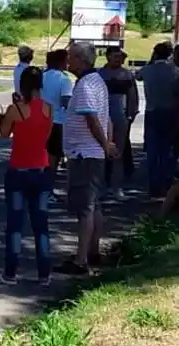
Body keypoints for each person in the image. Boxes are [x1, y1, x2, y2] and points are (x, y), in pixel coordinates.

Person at [57, 42, 116, 276]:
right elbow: (106, 118)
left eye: (71, 57)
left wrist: (105, 144)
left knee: (84, 208)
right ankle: (92, 251)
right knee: (93, 204)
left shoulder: (86, 85)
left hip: (85, 154)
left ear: (81, 60)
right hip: (91, 152)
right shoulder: (97, 81)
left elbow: (92, 118)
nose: (68, 61)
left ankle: (81, 259)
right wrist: (107, 143)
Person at [0, 66, 53, 286]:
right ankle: (44, 273)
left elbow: (3, 133)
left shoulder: (16, 109)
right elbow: (46, 135)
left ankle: (10, 272)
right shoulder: (49, 109)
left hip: (18, 169)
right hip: (41, 169)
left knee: (15, 224)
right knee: (41, 225)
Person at [137, 41, 179, 198]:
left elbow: (138, 76)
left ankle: (153, 183)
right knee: (167, 149)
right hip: (170, 111)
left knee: (153, 149)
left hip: (151, 110)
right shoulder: (175, 71)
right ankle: (166, 181)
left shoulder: (148, 70)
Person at [99, 46, 139, 200]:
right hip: (102, 118)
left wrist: (130, 115)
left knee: (118, 154)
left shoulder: (126, 75)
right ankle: (101, 187)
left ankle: (117, 187)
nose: (119, 59)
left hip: (120, 118)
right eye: (116, 56)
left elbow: (133, 96)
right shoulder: (100, 74)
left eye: (121, 57)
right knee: (101, 153)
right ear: (108, 56)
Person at [40, 49, 73, 205]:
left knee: (40, 157)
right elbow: (66, 101)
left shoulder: (41, 76)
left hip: (39, 120)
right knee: (52, 160)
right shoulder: (64, 79)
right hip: (57, 121)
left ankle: (37, 189)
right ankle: (47, 191)